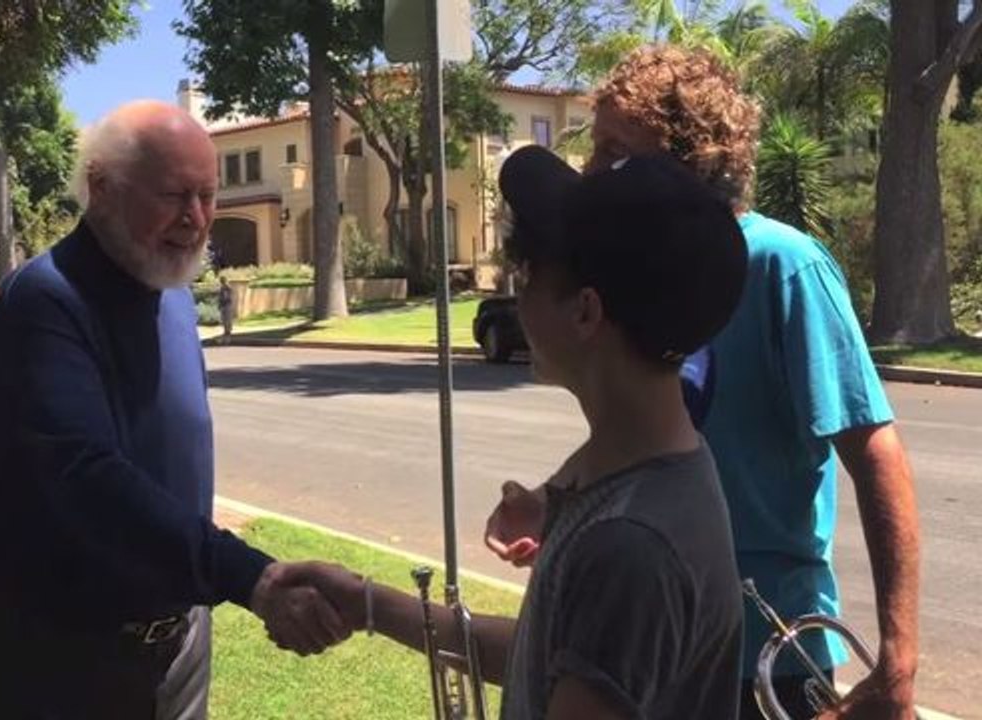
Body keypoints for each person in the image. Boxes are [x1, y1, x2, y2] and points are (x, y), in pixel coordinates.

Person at [485, 46, 921, 720]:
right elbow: (647, 429)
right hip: (656, 630)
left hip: (766, 649)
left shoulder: (784, 266)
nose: (592, 172)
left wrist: (899, 655)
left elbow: (875, 453)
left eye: (615, 151)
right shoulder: (631, 271)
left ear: (690, 162)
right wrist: (555, 507)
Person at [295, 148, 750, 719]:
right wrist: (370, 605)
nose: (519, 294)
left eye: (529, 273)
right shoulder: (649, 472)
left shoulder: (630, 546)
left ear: (586, 313)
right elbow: (556, 661)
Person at [0, 100, 349, 719]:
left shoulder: (171, 291)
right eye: (173, 196)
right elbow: (83, 478)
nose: (195, 219)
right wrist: (249, 575)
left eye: (208, 196)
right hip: (61, 657)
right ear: (101, 187)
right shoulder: (42, 302)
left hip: (180, 640)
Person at [217, 275, 234, 342]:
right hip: (224, 305)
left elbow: (226, 297)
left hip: (227, 305)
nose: (221, 281)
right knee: (224, 319)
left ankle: (228, 332)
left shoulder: (226, 287)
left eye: (222, 280)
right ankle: (226, 331)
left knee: (227, 319)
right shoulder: (223, 287)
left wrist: (222, 303)